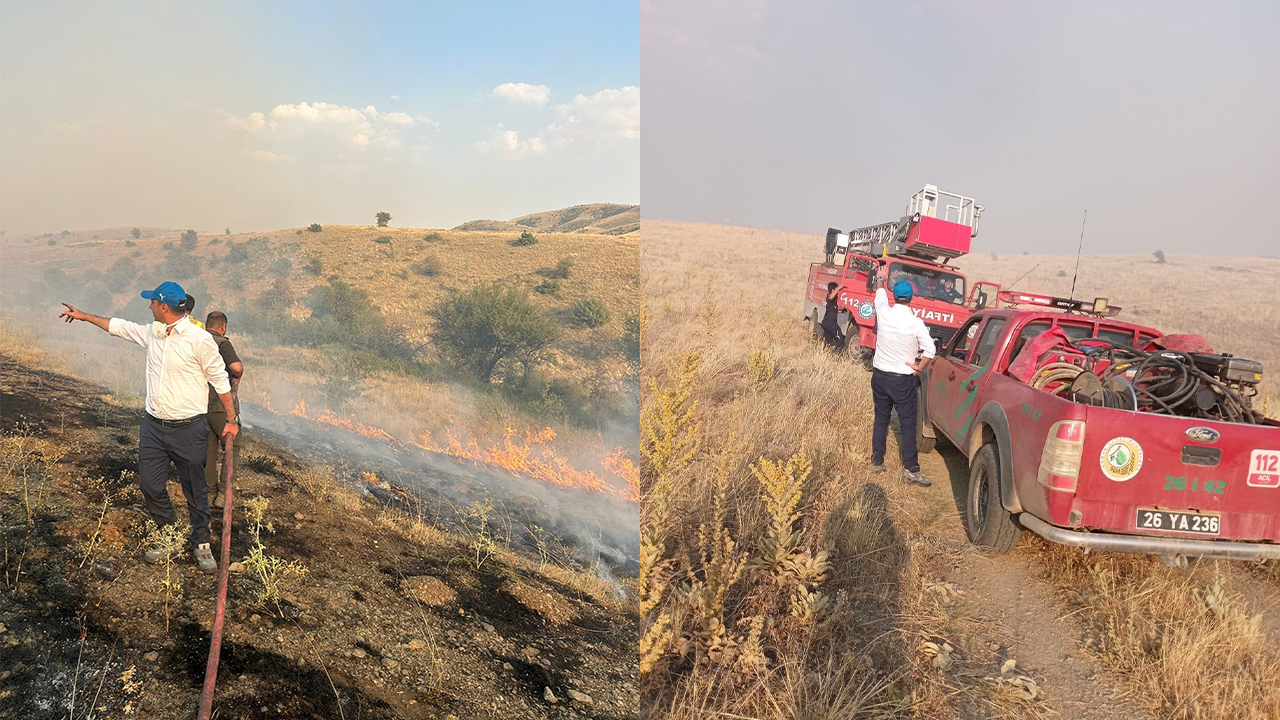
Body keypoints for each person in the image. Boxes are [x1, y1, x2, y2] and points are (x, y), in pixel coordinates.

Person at [59, 281, 238, 574]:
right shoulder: (154, 333)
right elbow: (119, 326)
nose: (150, 306)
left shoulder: (199, 339)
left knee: (195, 490)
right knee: (151, 486)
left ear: (164, 307)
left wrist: (231, 421)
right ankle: (168, 536)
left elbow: (220, 380)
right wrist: (85, 316)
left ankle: (201, 543)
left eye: (152, 302)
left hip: (189, 428)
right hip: (153, 426)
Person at [869, 276, 936, 486]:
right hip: (902, 380)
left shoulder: (884, 312)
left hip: (879, 376)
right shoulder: (915, 323)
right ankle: (911, 470)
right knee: (908, 425)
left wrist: (880, 279)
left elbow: (879, 294)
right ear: (911, 298)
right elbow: (930, 350)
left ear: (895, 296)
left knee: (881, 419)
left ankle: (877, 461)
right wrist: (920, 366)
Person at [203, 311, 242, 510]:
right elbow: (236, 367)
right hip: (220, 405)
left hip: (199, 406)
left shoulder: (196, 339)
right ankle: (223, 495)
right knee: (231, 446)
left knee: (208, 449)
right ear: (223, 327)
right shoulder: (221, 343)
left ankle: (208, 491)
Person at [820, 282, 846, 350]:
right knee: (840, 341)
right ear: (832, 290)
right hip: (830, 323)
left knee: (828, 342)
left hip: (827, 323)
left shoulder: (834, 301)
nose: (838, 292)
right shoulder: (829, 296)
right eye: (836, 290)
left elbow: (839, 308)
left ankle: (826, 354)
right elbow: (831, 297)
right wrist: (838, 288)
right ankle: (837, 355)